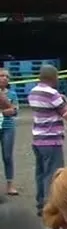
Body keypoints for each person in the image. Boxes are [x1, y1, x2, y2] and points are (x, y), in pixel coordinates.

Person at [29, 65, 67, 215]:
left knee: (40, 173)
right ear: (52, 77)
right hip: (51, 139)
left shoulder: (33, 91)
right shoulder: (52, 93)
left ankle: (40, 203)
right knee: (53, 174)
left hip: (37, 138)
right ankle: (50, 206)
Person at [0, 68, 18, 196]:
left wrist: (3, 112)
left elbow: (15, 111)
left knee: (7, 156)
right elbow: (10, 110)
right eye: (2, 75)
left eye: (7, 76)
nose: (5, 78)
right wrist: (7, 111)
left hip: (8, 127)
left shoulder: (12, 94)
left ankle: (10, 184)